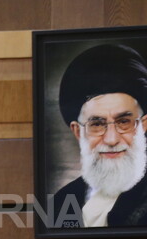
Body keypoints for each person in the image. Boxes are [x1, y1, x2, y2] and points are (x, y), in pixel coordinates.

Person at [51, 43, 147, 229]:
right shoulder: (61, 202)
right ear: (78, 132)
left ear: (143, 125)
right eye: (97, 124)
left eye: (123, 122)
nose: (111, 140)